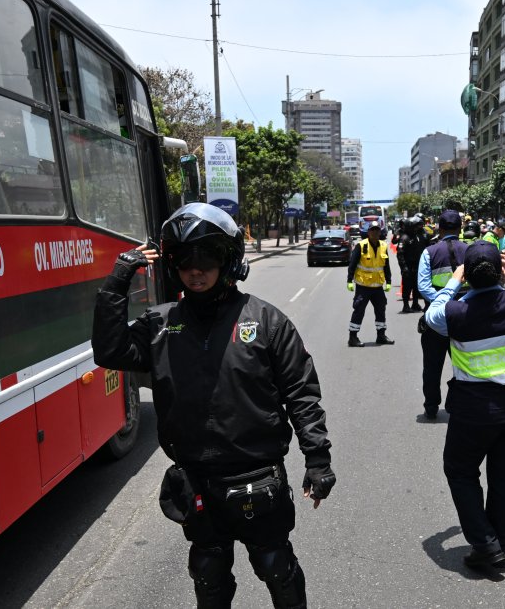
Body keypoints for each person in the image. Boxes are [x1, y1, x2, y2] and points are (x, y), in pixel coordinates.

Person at [92, 202, 334, 608]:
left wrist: (318, 460)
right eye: (185, 261)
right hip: (197, 482)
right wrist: (117, 282)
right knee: (208, 574)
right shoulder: (161, 325)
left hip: (258, 476)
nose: (196, 270)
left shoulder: (267, 321)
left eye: (206, 259)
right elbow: (110, 349)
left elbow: (301, 394)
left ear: (227, 261)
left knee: (278, 567)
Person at [424, 241, 505, 570]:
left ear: (467, 275)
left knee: (460, 471)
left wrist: (454, 280)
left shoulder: (454, 313)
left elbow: (432, 314)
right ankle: (501, 544)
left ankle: (485, 542)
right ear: (500, 271)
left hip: (474, 412)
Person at [417, 209, 469, 420]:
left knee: (432, 365)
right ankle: (462, 404)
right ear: (460, 228)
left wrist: (441, 301)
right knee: (464, 364)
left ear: (439, 228)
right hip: (465, 315)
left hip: (436, 317)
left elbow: (423, 286)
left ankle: (431, 406)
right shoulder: (470, 250)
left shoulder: (429, 252)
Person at [346, 222, 394, 347]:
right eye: (373, 230)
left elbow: (386, 266)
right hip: (363, 286)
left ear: (380, 232)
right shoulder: (361, 246)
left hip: (378, 286)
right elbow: (352, 264)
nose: (375, 232)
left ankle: (381, 335)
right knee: (359, 311)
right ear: (368, 232)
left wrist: (389, 281)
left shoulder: (383, 246)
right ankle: (352, 337)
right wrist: (349, 280)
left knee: (381, 310)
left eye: (377, 230)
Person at [397, 215, 429, 313]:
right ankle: (406, 306)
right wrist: (404, 267)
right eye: (415, 226)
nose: (417, 228)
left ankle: (415, 303)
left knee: (416, 286)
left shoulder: (417, 236)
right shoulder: (404, 238)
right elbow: (400, 254)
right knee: (407, 287)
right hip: (408, 266)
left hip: (417, 266)